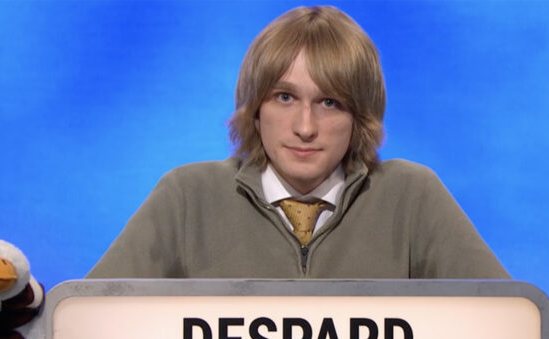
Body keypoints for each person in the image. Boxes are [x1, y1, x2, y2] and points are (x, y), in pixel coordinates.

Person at [87, 5, 509, 280]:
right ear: (255, 107)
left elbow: (513, 333)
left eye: (330, 102)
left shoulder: (411, 195)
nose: (305, 127)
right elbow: (85, 329)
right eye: (284, 97)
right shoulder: (187, 196)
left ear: (359, 116)